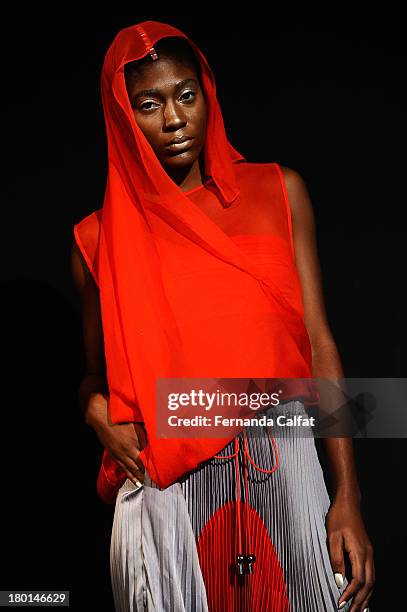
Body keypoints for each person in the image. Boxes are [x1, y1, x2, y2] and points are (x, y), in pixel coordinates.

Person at [71, 21, 375, 612]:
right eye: (149, 104)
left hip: (283, 470)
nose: (175, 118)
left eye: (186, 94)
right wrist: (93, 410)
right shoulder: (98, 239)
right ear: (123, 119)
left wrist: (348, 499)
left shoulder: (278, 192)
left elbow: (319, 346)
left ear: (208, 93)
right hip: (166, 493)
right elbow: (94, 377)